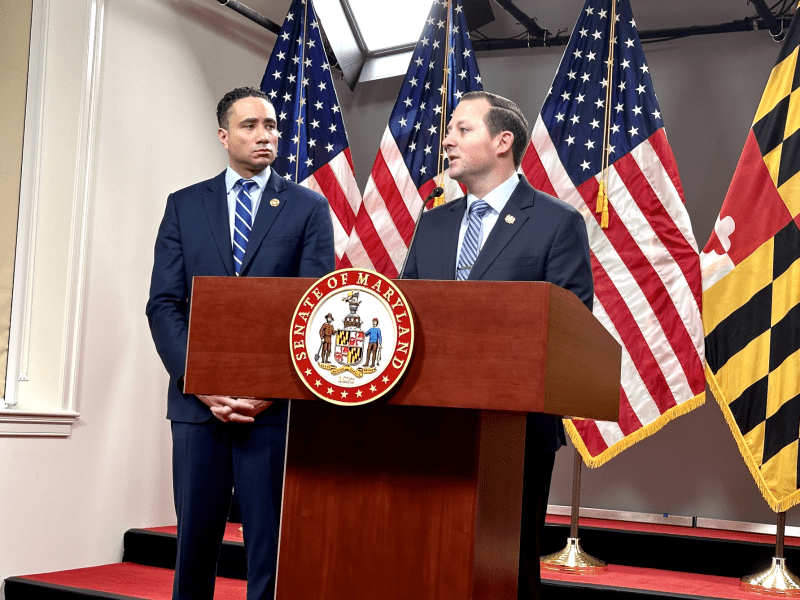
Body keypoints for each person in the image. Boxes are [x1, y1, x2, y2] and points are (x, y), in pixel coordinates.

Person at [402, 91, 593, 600]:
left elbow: (570, 329)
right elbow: (407, 315)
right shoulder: (434, 223)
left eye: (463, 130)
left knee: (503, 570)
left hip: (515, 429)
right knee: (429, 559)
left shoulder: (557, 223)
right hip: (431, 425)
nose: (447, 140)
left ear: (503, 141)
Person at [146, 86, 334, 600]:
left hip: (271, 412)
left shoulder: (308, 209)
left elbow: (314, 312)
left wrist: (269, 389)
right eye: (250, 125)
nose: (266, 135)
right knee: (194, 551)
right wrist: (201, 383)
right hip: (196, 409)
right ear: (224, 135)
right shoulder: (184, 206)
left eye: (272, 125)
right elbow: (164, 305)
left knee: (269, 556)